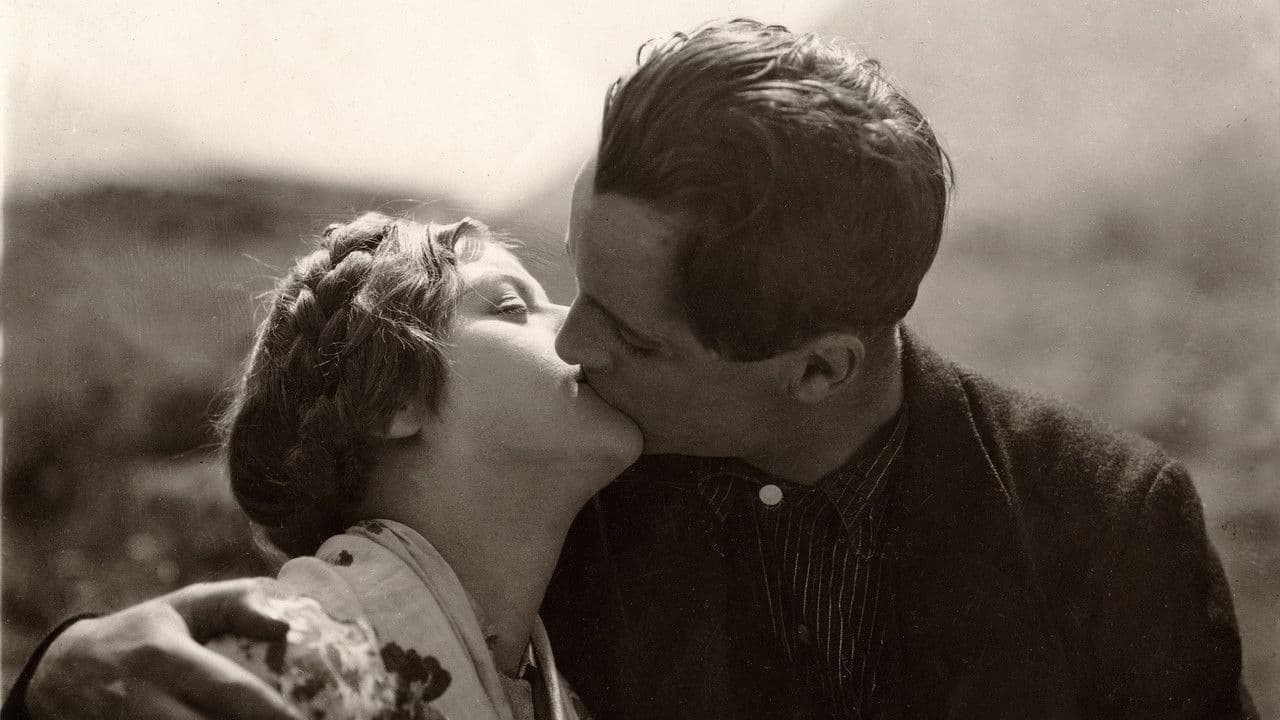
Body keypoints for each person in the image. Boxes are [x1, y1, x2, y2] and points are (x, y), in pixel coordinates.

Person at [6, 18, 1254, 720]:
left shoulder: (1101, 526)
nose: (574, 342)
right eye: (568, 283)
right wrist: (58, 676)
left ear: (817, 369)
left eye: (632, 332)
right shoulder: (551, 483)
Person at [8, 213, 639, 719]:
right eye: (509, 306)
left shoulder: (549, 691)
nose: (573, 327)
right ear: (395, 398)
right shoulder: (263, 662)